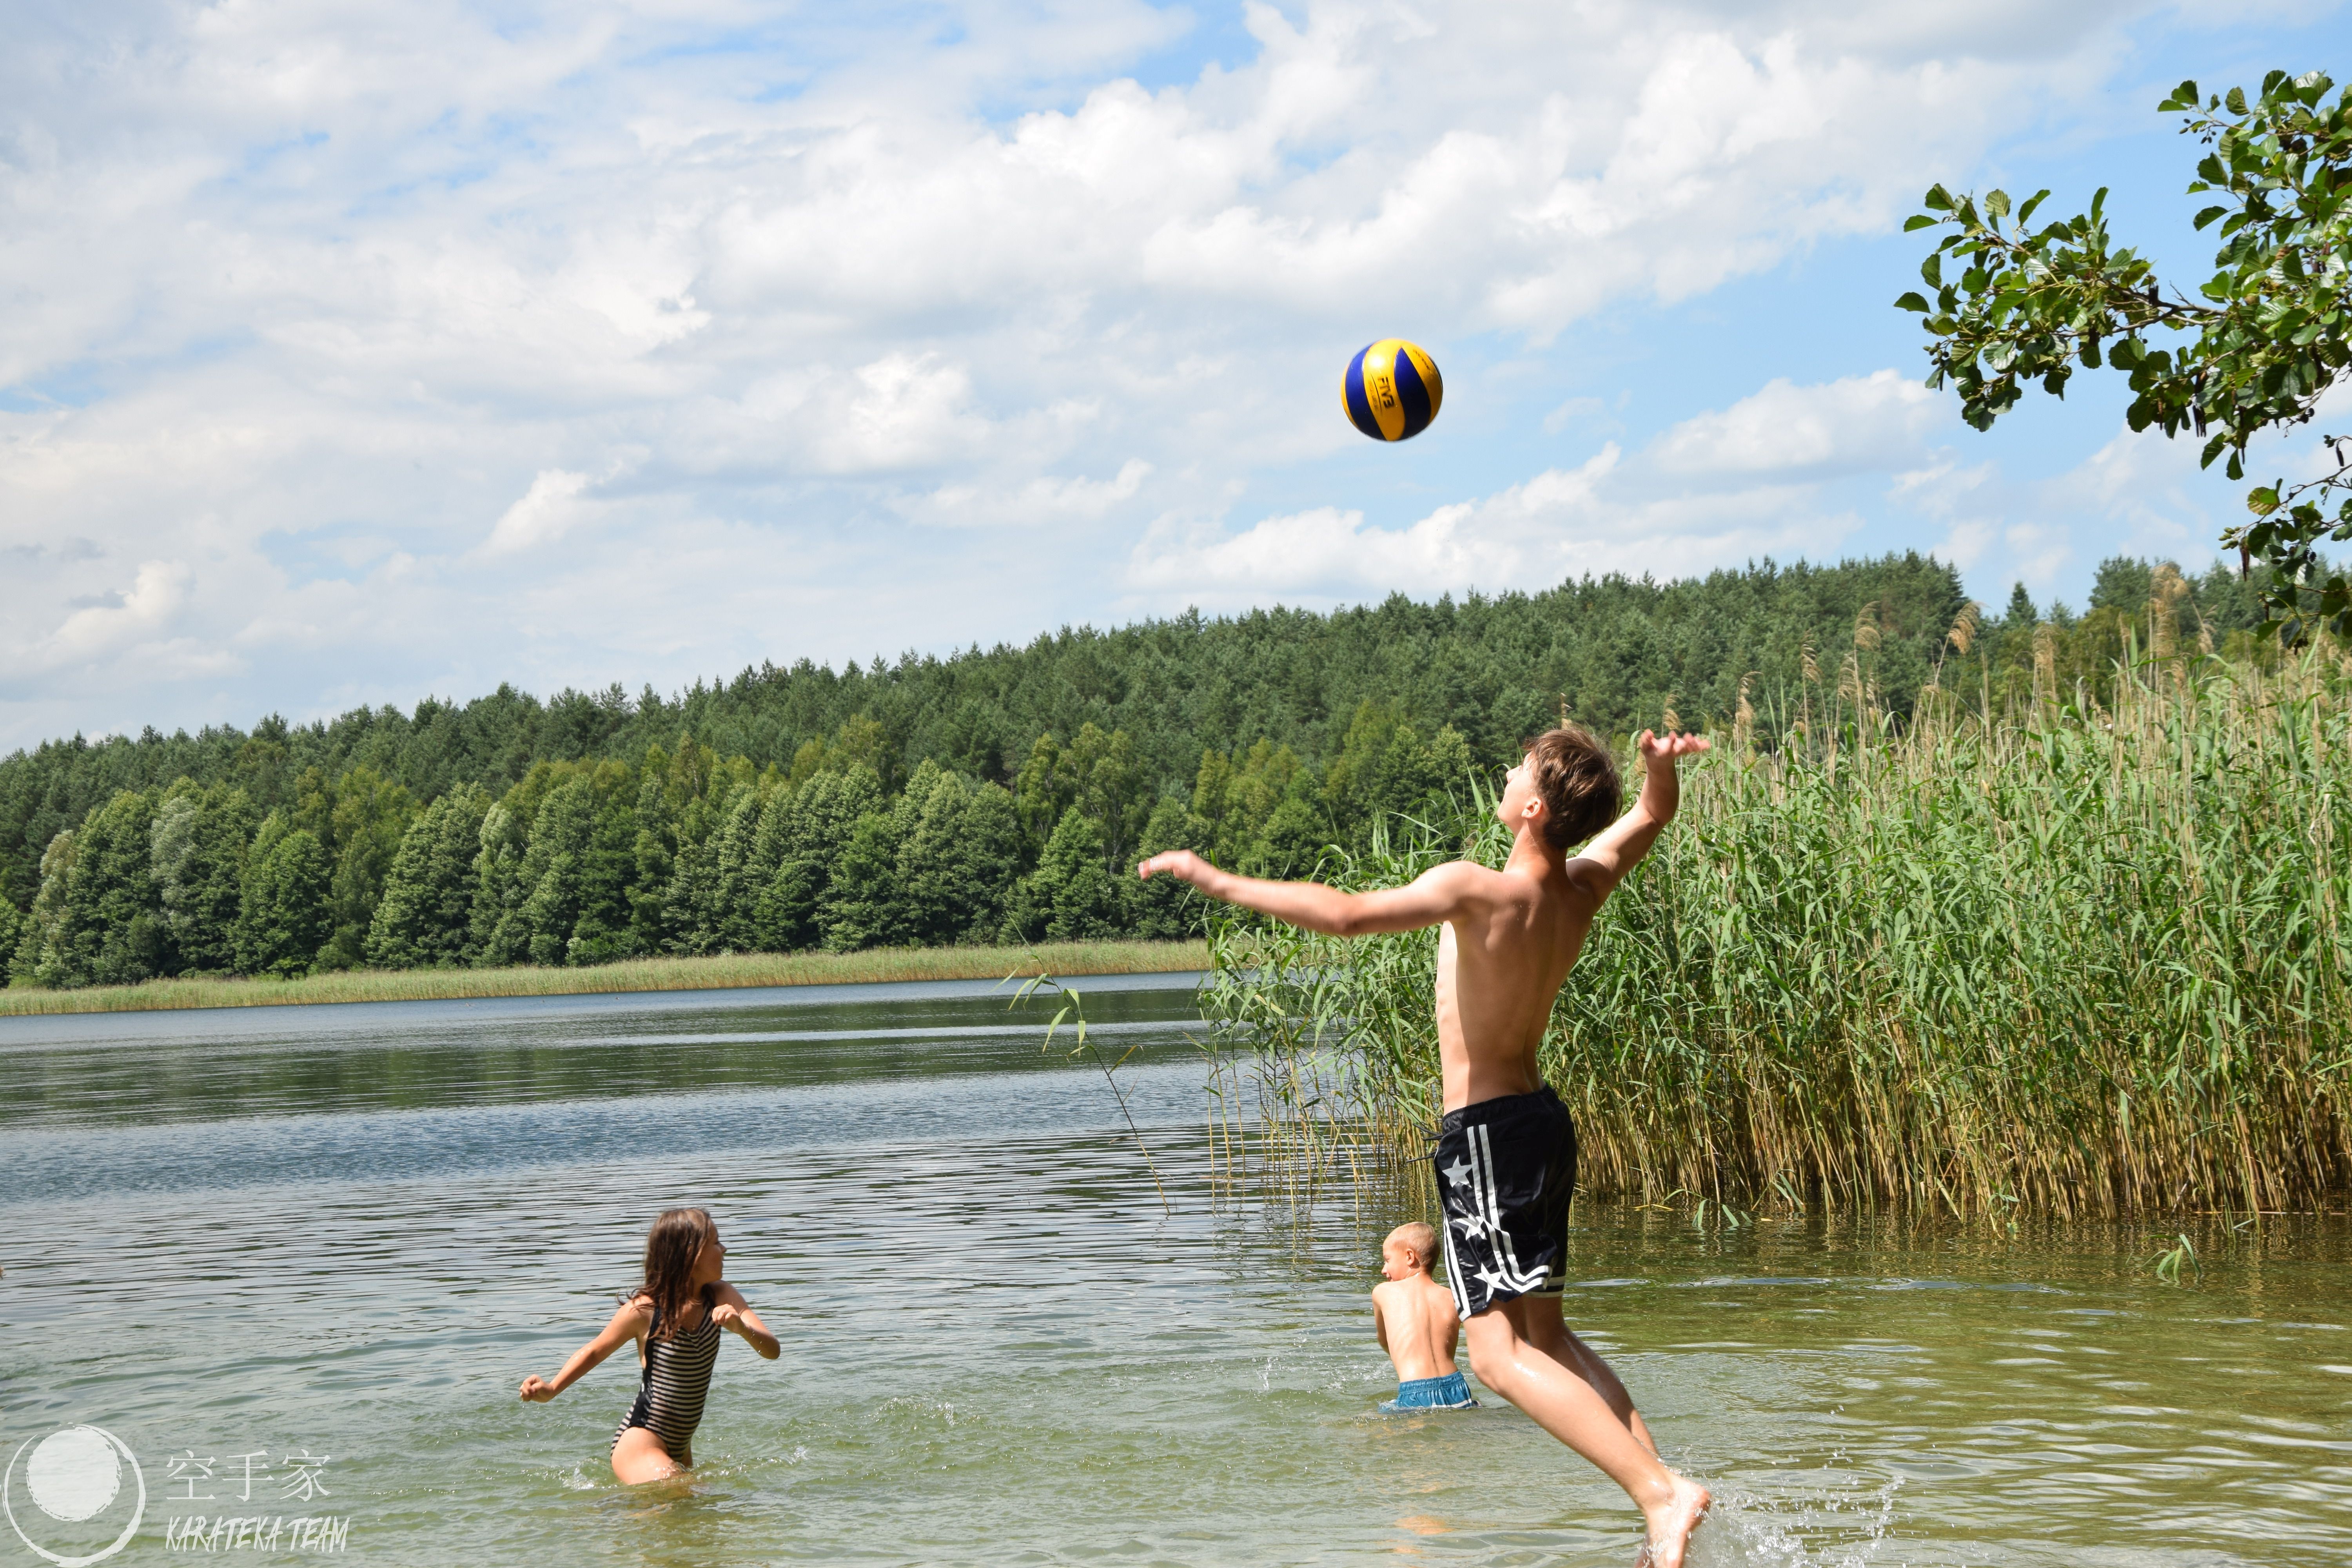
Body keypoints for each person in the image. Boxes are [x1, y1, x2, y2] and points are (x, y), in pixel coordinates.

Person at [1140, 726, 1713, 1568]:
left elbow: (1343, 914)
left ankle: (1661, 1494)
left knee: (1497, 1357)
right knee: (1549, 1339)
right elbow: (1652, 815)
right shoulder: (1581, 887)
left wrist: (1214, 877)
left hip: (1485, 1134)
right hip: (1542, 1125)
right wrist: (1660, 771)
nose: (1506, 770)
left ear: (1533, 806)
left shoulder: (1479, 891)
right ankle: (1660, 1501)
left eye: (1517, 766)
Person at [519, 1207, 780, 1483]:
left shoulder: (721, 1295)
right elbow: (594, 1351)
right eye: (715, 1242)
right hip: (641, 1441)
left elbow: (772, 1350)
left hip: (681, 1446)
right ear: (690, 1255)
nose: (724, 1249)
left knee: (690, 1516)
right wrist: (552, 1389)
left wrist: (742, 1329)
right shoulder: (646, 1311)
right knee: (684, 1494)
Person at [1372, 1221, 1475, 1412]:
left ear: (1410, 1257)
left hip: (1416, 1390)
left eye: (1387, 1260)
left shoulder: (1383, 1292)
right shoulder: (1453, 1297)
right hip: (1458, 1388)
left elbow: (1385, 1341)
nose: (1384, 1270)